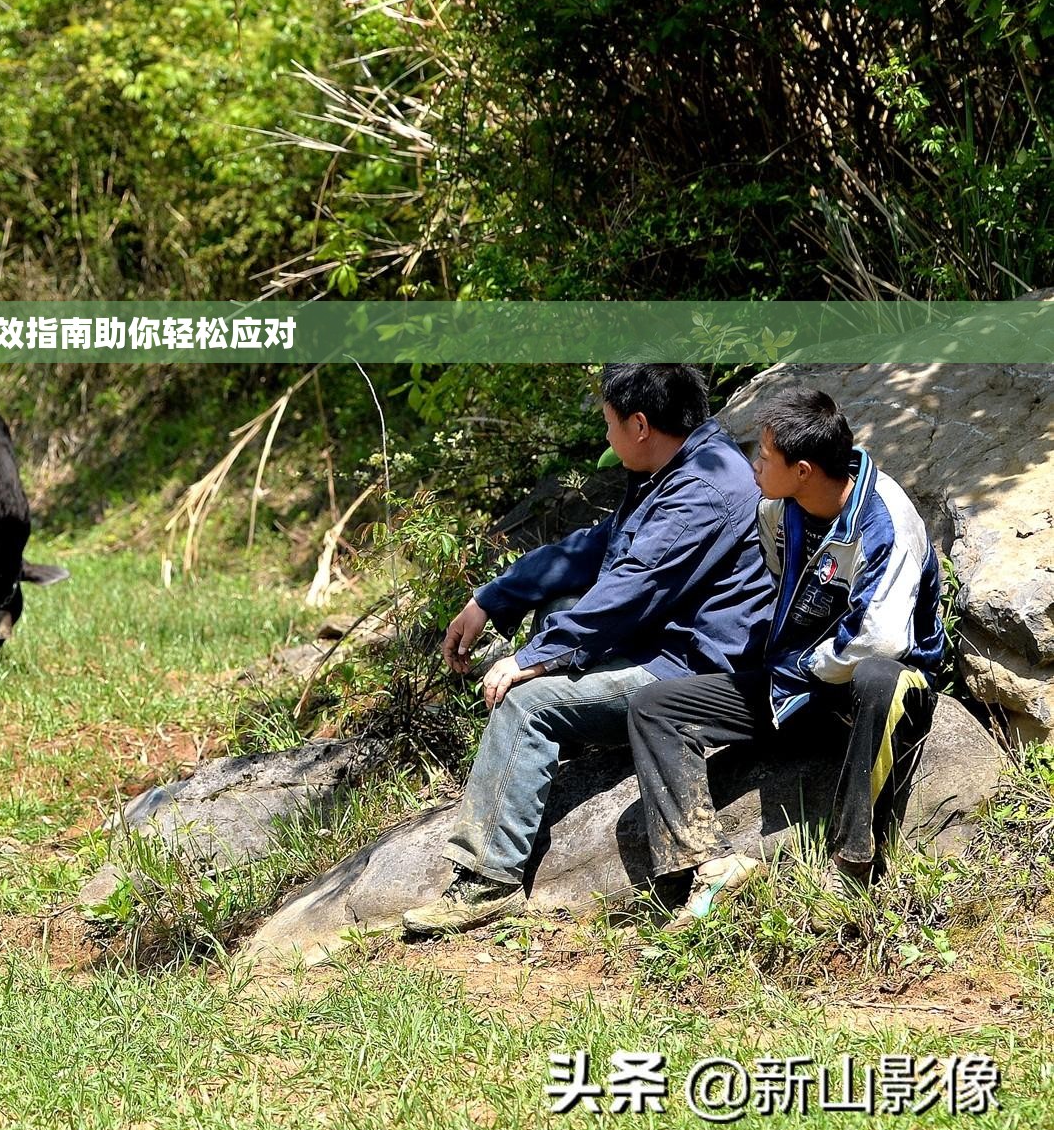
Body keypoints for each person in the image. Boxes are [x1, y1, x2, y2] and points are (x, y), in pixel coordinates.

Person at [401, 364, 777, 937]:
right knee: (555, 605)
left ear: (640, 425)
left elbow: (629, 591)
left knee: (525, 703)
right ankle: (555, 758)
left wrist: (530, 659)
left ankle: (489, 880)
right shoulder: (682, 466)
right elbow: (593, 549)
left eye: (608, 423)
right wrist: (490, 599)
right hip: (660, 646)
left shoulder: (702, 489)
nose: (606, 435)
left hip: (689, 672)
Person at [624, 386, 948, 917]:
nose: (754, 464)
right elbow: (782, 586)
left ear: (802, 470)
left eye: (765, 456)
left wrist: (810, 666)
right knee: (655, 707)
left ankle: (853, 866)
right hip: (798, 684)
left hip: (879, 688)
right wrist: (792, 670)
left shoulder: (885, 519)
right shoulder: (779, 511)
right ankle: (710, 864)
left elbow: (884, 640)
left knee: (877, 675)